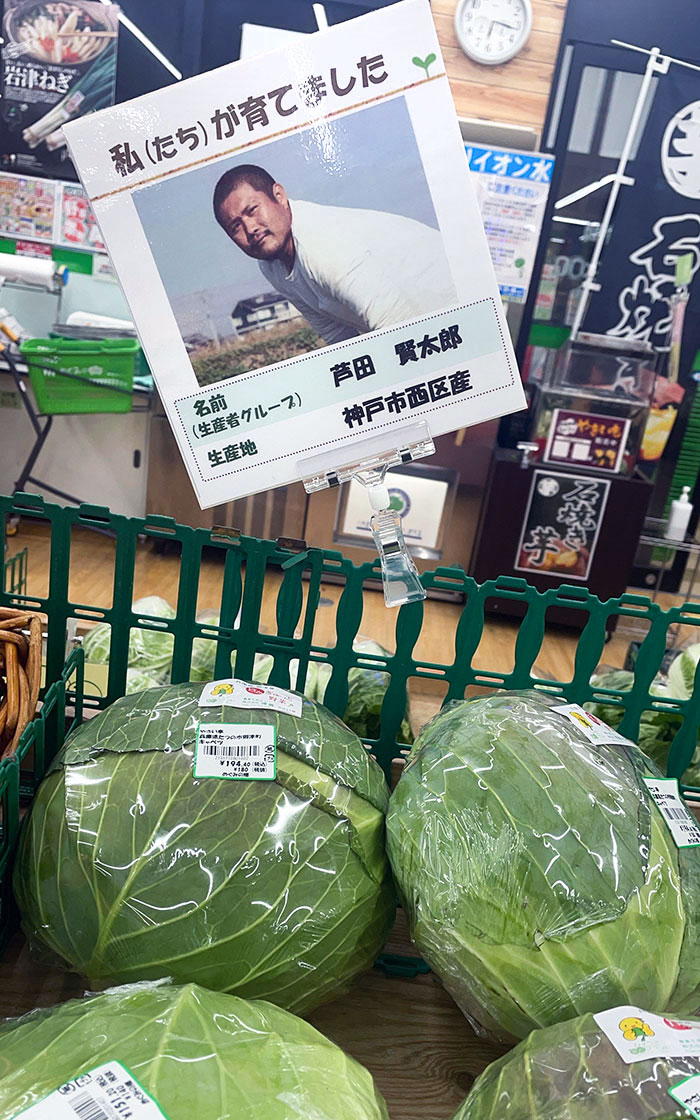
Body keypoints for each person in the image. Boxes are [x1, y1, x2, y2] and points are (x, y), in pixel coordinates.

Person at [213, 163, 456, 346]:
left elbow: (401, 327)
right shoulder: (271, 265)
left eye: (253, 210)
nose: (250, 229)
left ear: (279, 196)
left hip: (456, 303)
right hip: (420, 328)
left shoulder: (323, 245)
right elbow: (337, 337)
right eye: (235, 227)